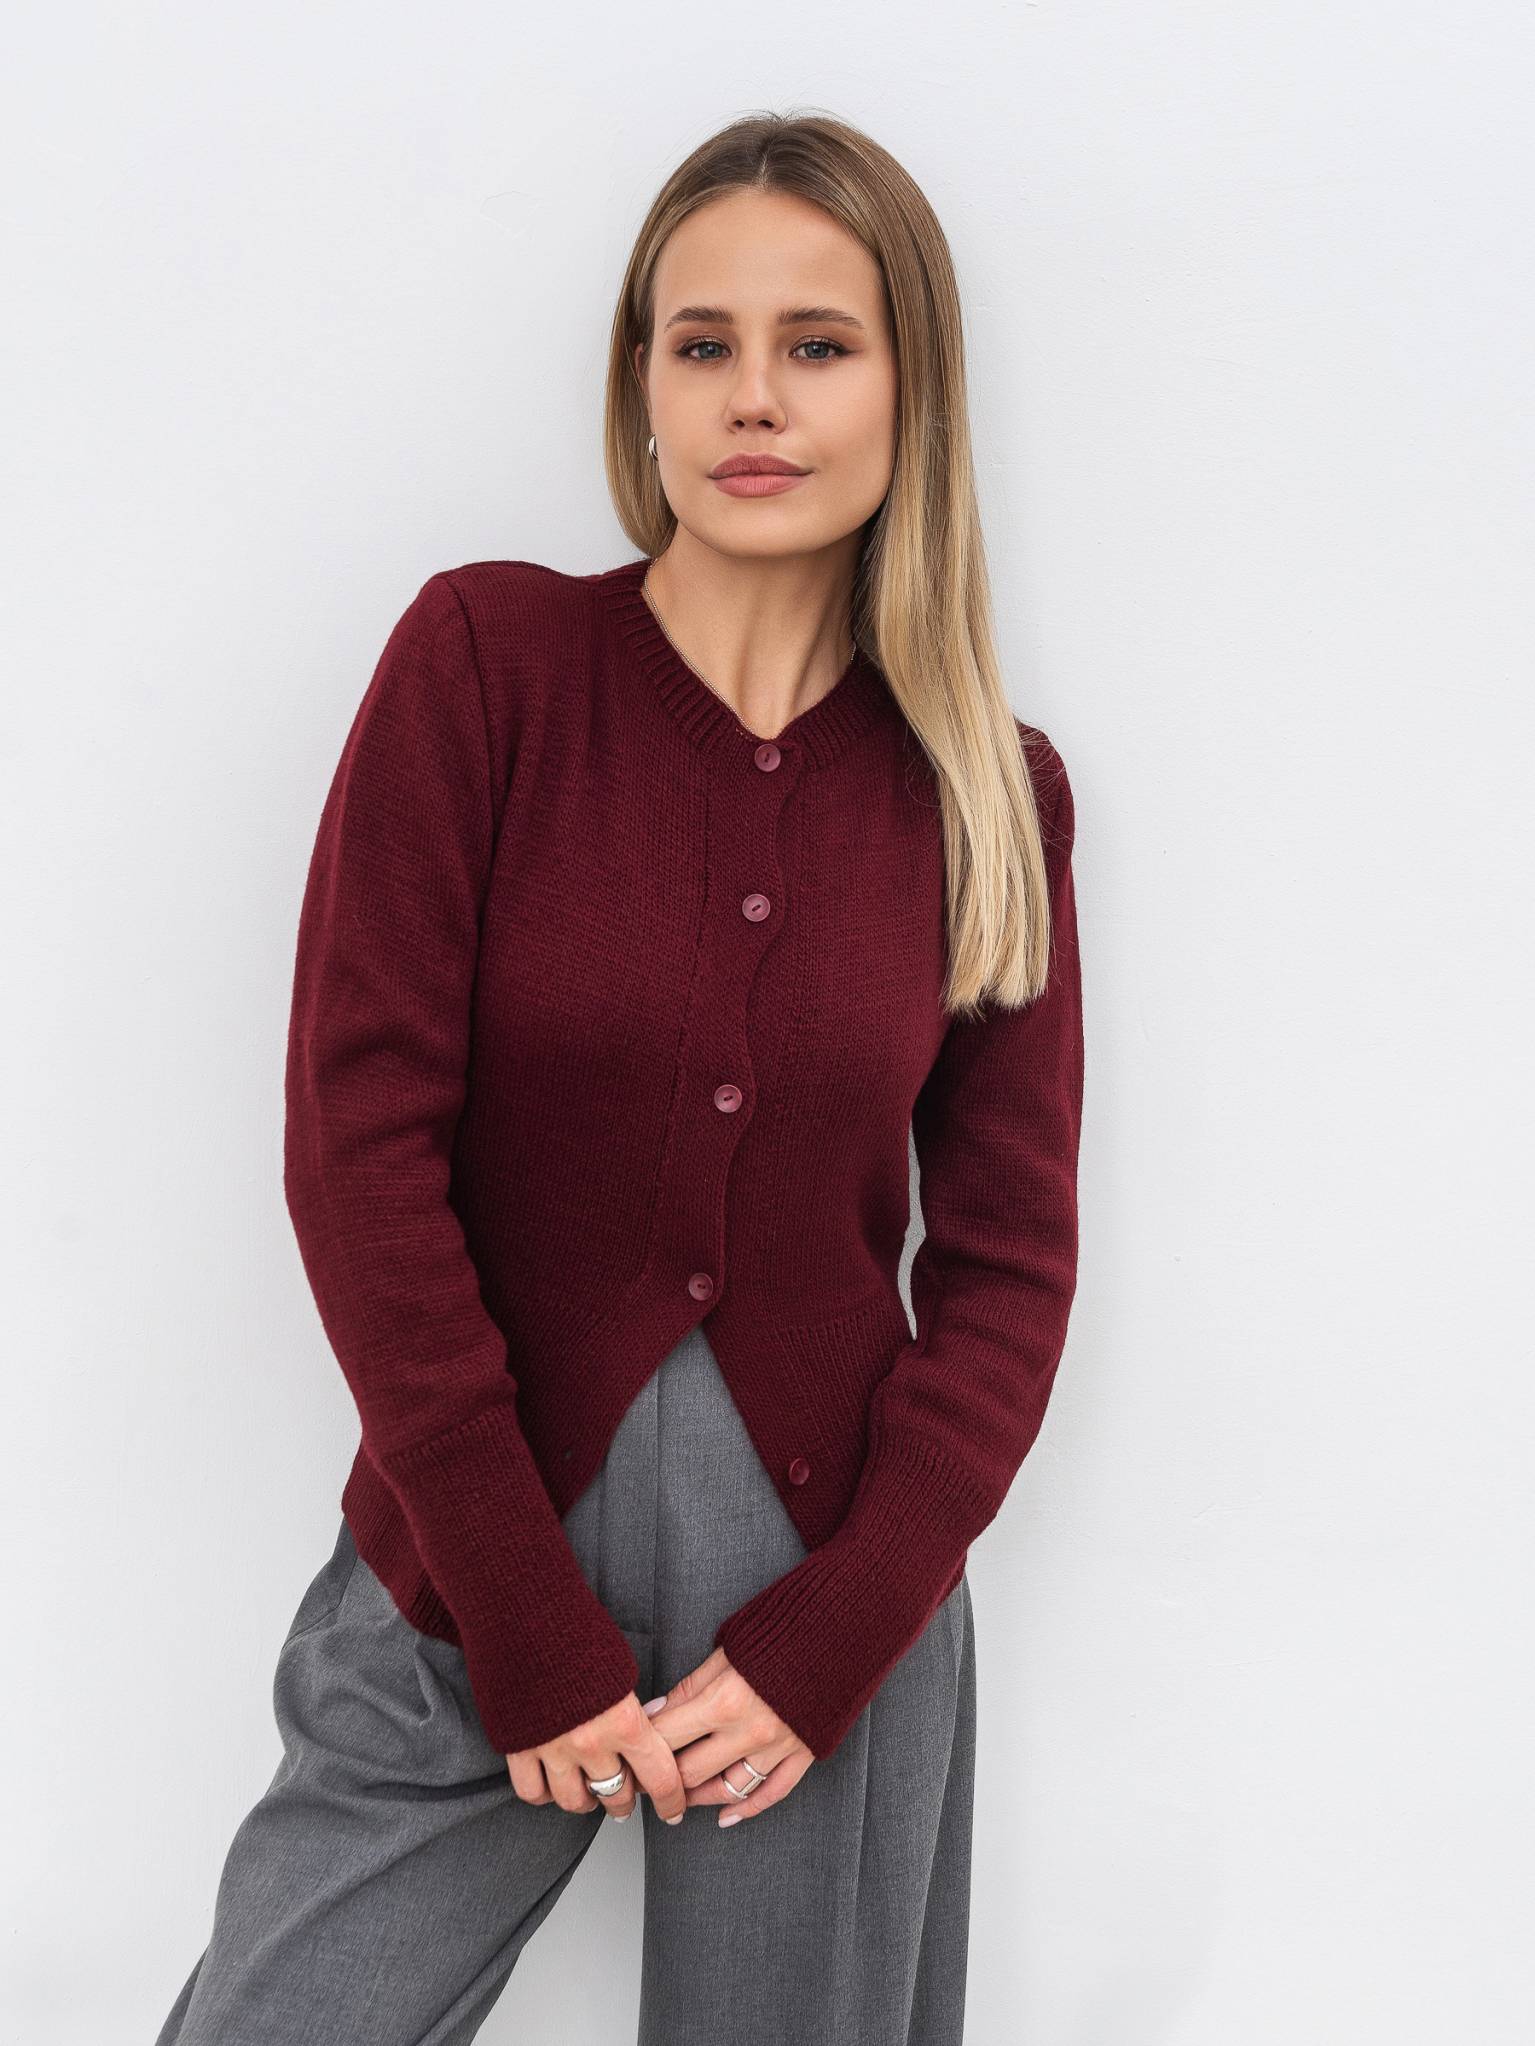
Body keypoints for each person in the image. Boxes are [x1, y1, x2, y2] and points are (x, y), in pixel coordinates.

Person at [155, 108, 1085, 2046]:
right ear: (640, 382)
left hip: (824, 1599)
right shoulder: (487, 667)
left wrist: (844, 1629)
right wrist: (513, 1600)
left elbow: (1009, 1269)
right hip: (473, 1537)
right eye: (702, 341)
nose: (755, 396)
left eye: (818, 344)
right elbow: (358, 1145)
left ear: (912, 387)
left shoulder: (990, 793)